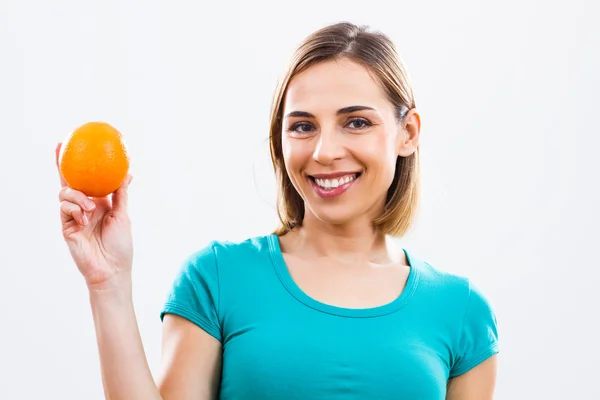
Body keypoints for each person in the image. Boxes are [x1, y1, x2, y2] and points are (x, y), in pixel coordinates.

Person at [56, 22, 499, 400]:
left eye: (357, 122)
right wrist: (107, 283)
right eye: (303, 126)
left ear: (408, 133)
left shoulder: (461, 312)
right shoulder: (217, 279)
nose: (325, 152)